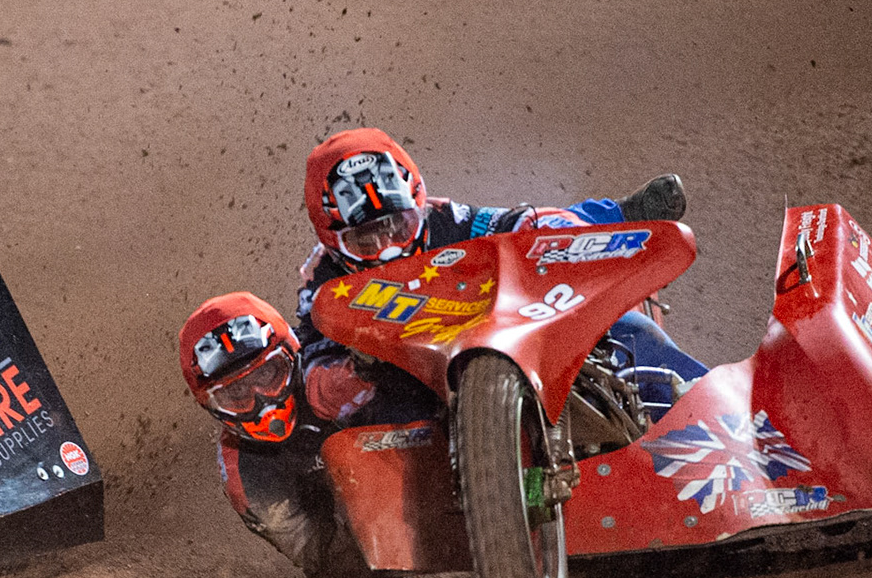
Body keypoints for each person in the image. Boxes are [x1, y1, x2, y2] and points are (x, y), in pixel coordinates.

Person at [295, 127, 708, 423]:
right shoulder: (322, 283)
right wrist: (356, 370)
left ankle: (716, 413)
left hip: (502, 341)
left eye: (399, 226)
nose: (390, 247)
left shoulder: (446, 218)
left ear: (417, 202)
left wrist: (609, 224)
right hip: (414, 400)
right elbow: (315, 386)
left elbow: (526, 224)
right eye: (366, 240)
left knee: (629, 329)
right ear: (332, 241)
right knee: (353, 440)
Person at [179, 292, 394, 578]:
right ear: (210, 405)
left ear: (292, 354)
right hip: (353, 535)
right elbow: (335, 572)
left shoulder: (329, 373)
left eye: (267, 374)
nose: (262, 401)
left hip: (420, 473)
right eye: (236, 393)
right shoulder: (244, 476)